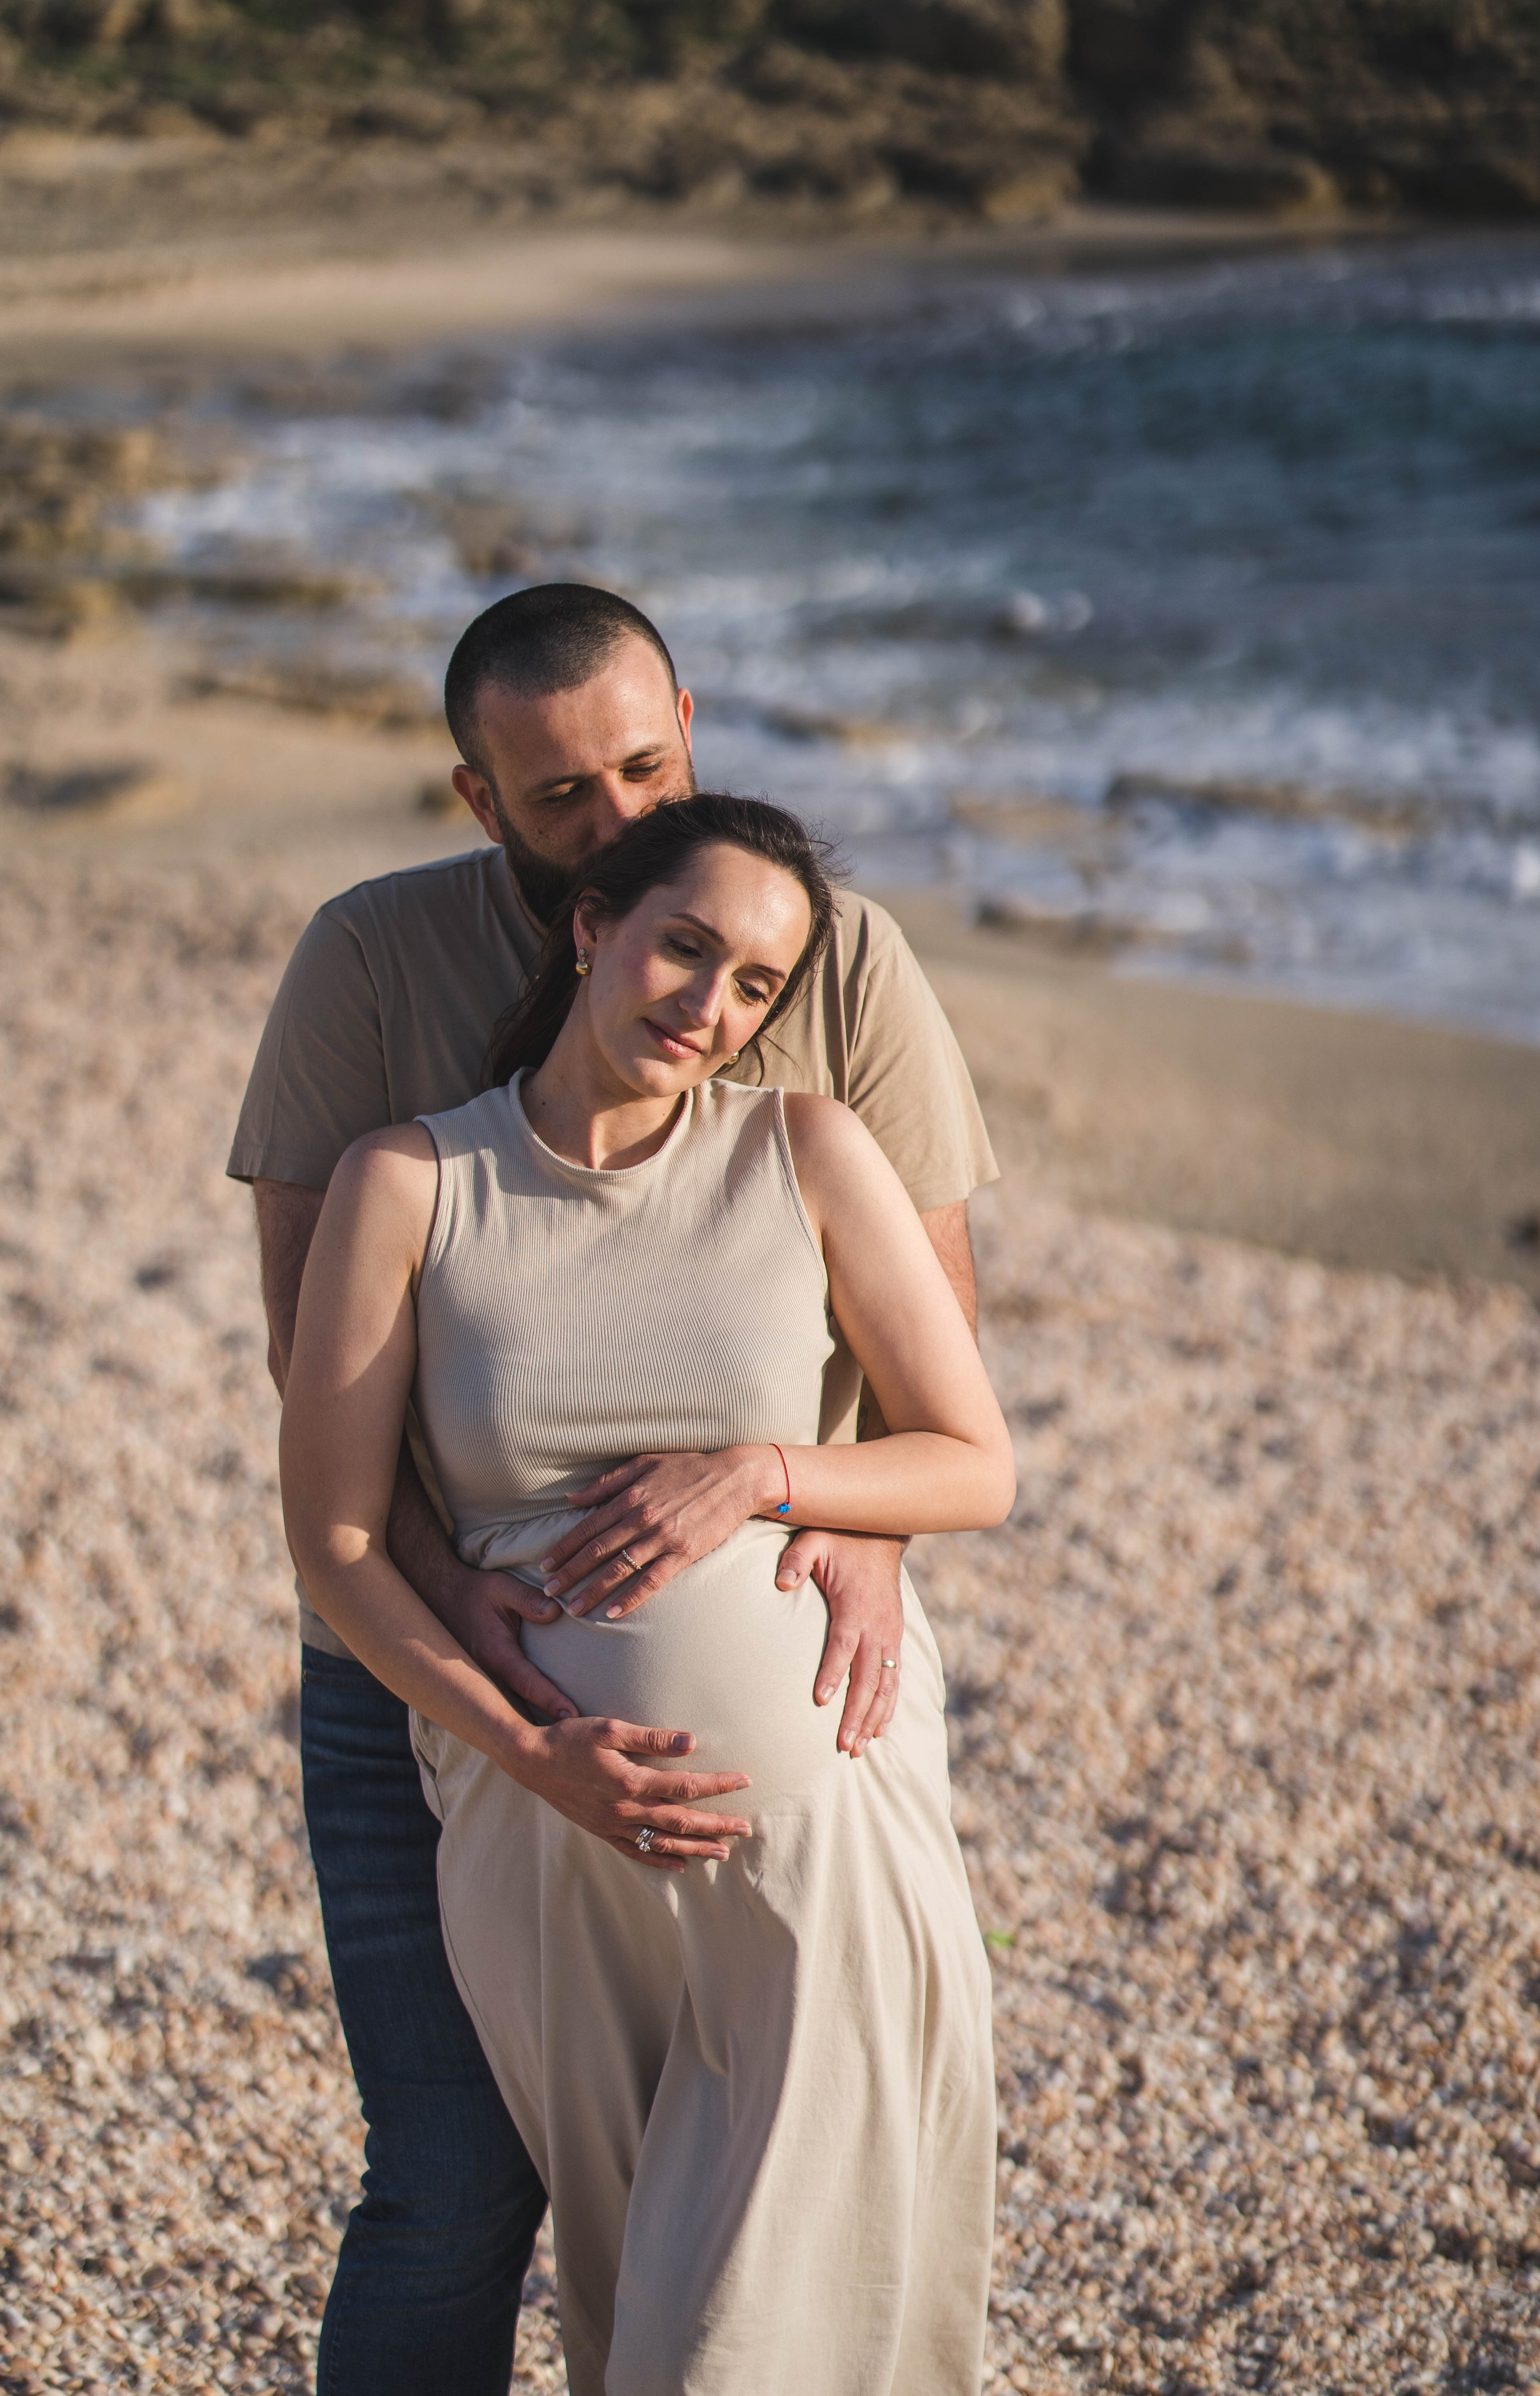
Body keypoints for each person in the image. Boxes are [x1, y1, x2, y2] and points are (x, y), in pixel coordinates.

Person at [229, 583, 998, 2392]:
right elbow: (317, 1398)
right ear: (484, 807)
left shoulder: (834, 963)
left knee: (783, 2242)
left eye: (650, 764)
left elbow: (937, 1377)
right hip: (440, 1697)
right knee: (453, 2192)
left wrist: (846, 1529)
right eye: (565, 795)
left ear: (695, 728)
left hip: (806, 1740)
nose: (628, 817)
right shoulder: (373, 980)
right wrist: (504, 1694)